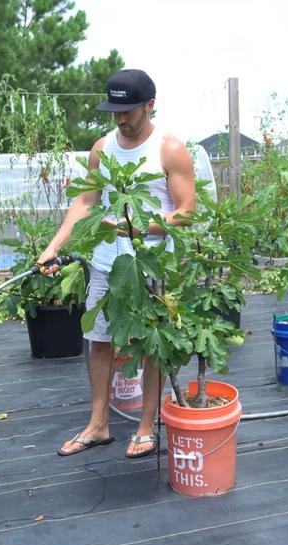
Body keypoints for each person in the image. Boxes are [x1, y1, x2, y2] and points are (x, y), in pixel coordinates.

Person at [37, 69, 197, 459]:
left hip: (153, 266)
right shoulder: (102, 149)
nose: (122, 120)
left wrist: (139, 230)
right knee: (100, 342)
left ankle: (145, 427)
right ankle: (98, 426)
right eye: (115, 112)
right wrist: (55, 245)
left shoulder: (170, 150)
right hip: (108, 263)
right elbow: (86, 202)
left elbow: (188, 212)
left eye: (129, 111)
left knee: (150, 344)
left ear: (149, 106)